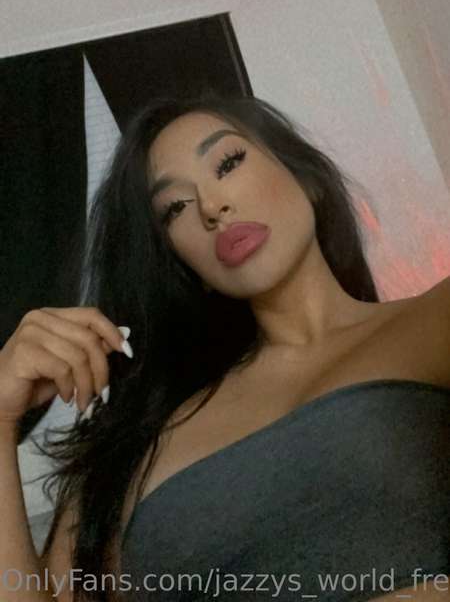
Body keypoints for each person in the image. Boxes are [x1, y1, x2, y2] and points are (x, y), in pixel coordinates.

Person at [0, 94, 449, 602]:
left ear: (307, 179)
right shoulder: (131, 446)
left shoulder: (433, 322)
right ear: (183, 265)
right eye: (175, 208)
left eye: (229, 163)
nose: (212, 207)